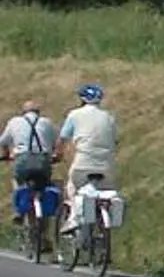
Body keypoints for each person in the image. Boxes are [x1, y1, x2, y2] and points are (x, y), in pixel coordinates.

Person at [56, 83, 118, 237]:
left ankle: (73, 218)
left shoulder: (75, 114)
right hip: (106, 165)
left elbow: (63, 138)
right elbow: (115, 140)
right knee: (103, 192)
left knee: (73, 188)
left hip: (83, 162)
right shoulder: (109, 116)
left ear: (82, 99)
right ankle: (101, 227)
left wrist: (58, 154)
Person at [5, 99, 58, 242]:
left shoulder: (14, 122)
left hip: (22, 161)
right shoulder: (47, 123)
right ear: (38, 113)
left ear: (23, 112)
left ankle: (18, 211)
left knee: (17, 181)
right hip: (42, 162)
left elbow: (3, 141)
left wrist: (6, 154)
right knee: (44, 190)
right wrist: (53, 155)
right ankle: (45, 236)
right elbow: (55, 144)